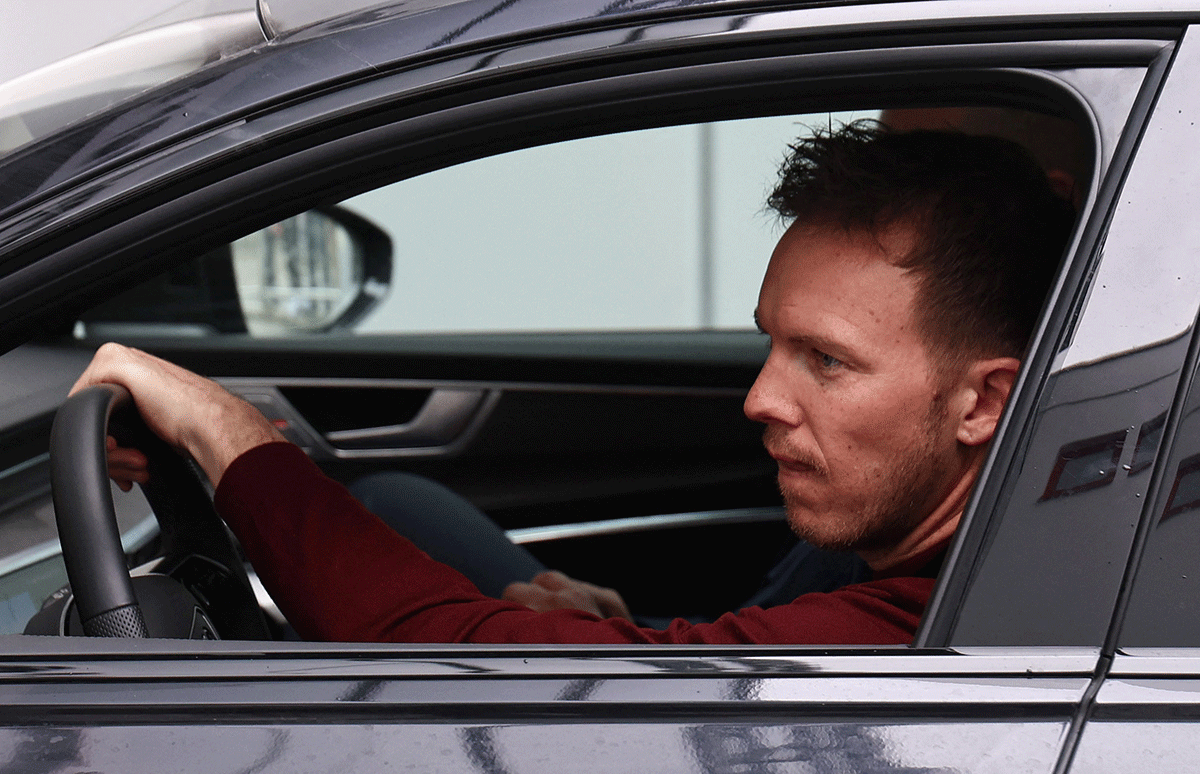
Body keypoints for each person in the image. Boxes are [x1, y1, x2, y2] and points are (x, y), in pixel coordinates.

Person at [83, 123, 1074, 644]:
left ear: (983, 402)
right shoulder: (935, 548)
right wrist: (631, 634)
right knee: (398, 501)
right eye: (771, 345)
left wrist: (228, 435)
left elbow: (471, 668)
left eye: (828, 361)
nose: (761, 400)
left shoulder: (948, 633)